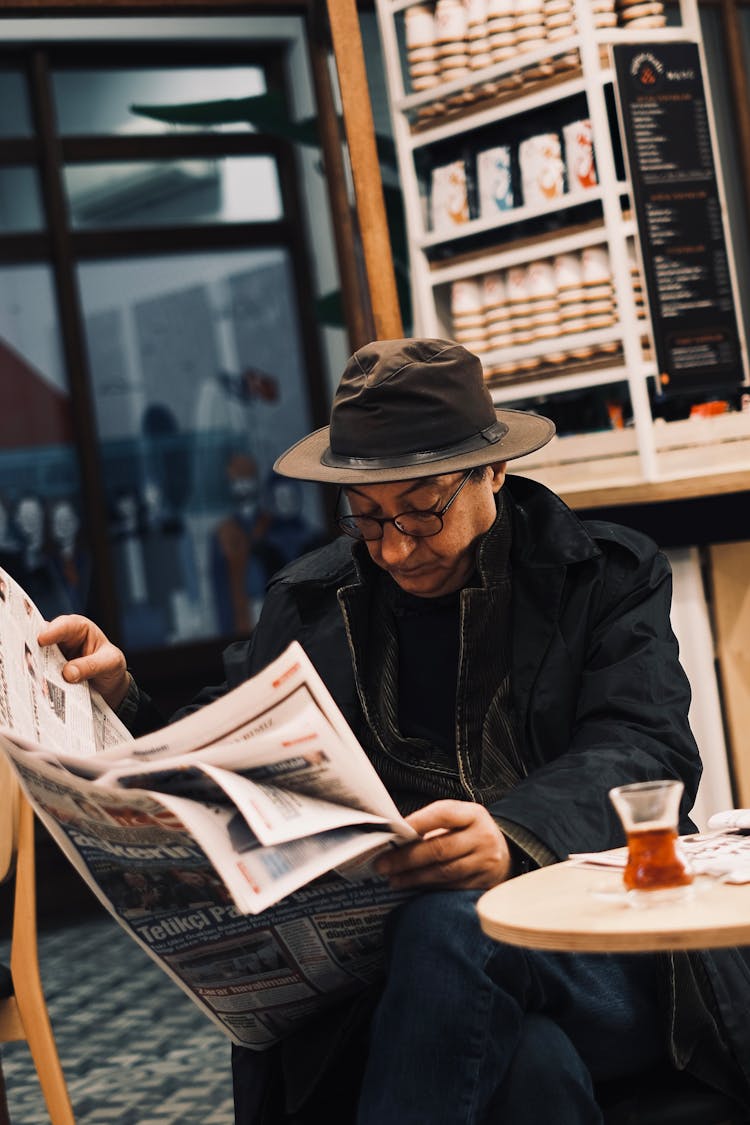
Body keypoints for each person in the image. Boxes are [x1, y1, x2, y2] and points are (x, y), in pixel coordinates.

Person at [39, 339, 750, 1124]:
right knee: (528, 1070)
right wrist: (121, 697)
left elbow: (642, 744)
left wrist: (509, 837)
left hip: (596, 951)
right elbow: (219, 746)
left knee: (456, 921)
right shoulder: (313, 602)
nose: (397, 547)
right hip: (394, 978)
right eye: (369, 517)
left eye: (423, 510)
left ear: (494, 471)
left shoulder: (605, 576)